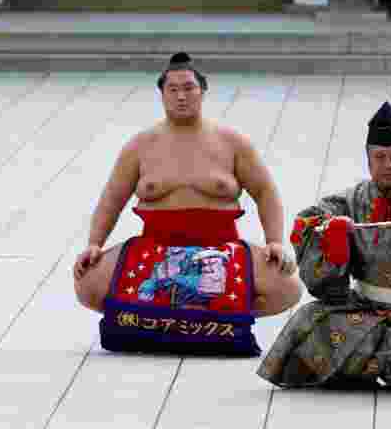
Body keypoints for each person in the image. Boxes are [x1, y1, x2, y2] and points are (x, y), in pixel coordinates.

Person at [74, 53, 301, 322]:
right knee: (87, 284)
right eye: (173, 89)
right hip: (154, 249)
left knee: (287, 288)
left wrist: (274, 241)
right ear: (162, 94)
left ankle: (220, 317)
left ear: (202, 92)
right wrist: (94, 244)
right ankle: (157, 317)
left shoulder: (232, 142)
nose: (181, 96)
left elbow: (266, 192)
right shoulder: (140, 146)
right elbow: (112, 199)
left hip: (220, 251)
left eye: (188, 88)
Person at [258, 102, 391, 388]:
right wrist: (332, 235)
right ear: (369, 162)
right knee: (312, 320)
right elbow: (310, 221)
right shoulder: (352, 200)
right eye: (380, 157)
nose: (389, 165)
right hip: (367, 307)